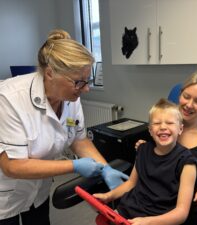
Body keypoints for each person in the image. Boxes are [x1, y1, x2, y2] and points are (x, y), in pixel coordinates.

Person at [0, 29, 128, 225]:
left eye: (87, 80)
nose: (86, 89)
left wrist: (105, 169)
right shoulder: (9, 99)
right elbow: (13, 165)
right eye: (79, 82)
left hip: (38, 191)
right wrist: (74, 166)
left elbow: (79, 140)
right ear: (50, 73)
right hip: (5, 194)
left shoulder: (70, 97)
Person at [136, 69, 197, 224]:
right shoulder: (164, 127)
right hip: (152, 208)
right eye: (186, 96)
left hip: (184, 215)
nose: (188, 105)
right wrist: (144, 149)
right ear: (180, 95)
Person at [94, 98, 197, 225]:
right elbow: (131, 183)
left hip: (158, 220)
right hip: (126, 212)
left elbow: (181, 213)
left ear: (180, 129)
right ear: (150, 130)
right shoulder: (143, 150)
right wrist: (108, 196)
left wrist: (148, 222)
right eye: (157, 123)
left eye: (170, 123)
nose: (163, 127)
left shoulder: (187, 162)